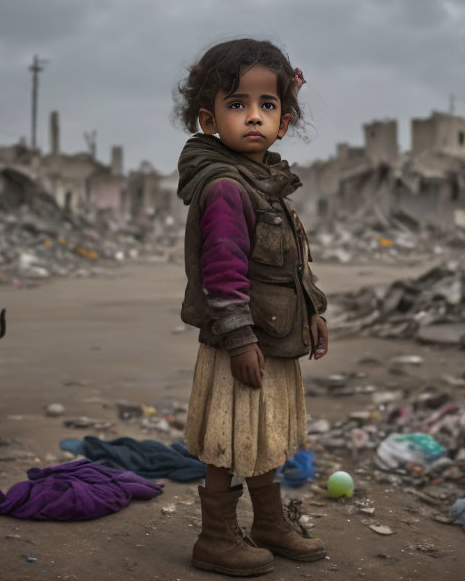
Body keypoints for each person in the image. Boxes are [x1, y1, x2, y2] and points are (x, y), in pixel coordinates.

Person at [174, 38, 329, 577]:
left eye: (268, 106)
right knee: (229, 439)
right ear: (208, 119)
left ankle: (267, 522)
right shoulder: (224, 188)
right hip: (242, 344)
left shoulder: (267, 184)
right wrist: (239, 339)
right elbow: (223, 274)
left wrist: (313, 310)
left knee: (263, 438)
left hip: (275, 336)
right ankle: (215, 537)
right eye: (237, 105)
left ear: (284, 122)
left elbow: (288, 262)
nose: (254, 117)